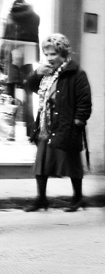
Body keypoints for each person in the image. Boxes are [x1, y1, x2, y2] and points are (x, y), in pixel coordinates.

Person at [24, 33, 92, 212]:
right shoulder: (46, 73)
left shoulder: (77, 74)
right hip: (46, 124)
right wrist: (37, 73)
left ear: (63, 54)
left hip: (66, 125)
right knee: (41, 162)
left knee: (71, 162)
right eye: (46, 54)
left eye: (53, 54)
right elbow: (30, 86)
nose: (49, 58)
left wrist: (77, 123)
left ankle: (78, 197)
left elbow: (84, 102)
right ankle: (41, 199)